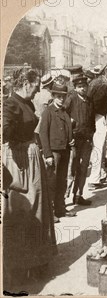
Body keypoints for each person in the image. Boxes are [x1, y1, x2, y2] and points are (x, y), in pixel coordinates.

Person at [2, 69, 57, 288]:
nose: (37, 91)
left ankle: (37, 263)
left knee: (39, 209)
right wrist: (14, 142)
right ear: (25, 83)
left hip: (32, 158)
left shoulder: (27, 103)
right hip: (20, 162)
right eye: (35, 86)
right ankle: (17, 268)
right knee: (22, 212)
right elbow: (5, 129)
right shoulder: (10, 105)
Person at [39, 81, 76, 220]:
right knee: (52, 182)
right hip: (54, 152)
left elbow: (68, 128)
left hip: (65, 150)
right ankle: (50, 212)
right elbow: (43, 133)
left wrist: (71, 139)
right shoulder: (48, 112)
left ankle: (60, 209)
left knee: (62, 180)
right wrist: (48, 154)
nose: (61, 99)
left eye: (63, 96)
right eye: (58, 96)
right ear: (53, 96)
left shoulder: (64, 111)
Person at [64, 73, 95, 205]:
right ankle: (63, 199)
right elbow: (63, 117)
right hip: (74, 140)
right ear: (75, 88)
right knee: (71, 169)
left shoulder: (89, 100)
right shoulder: (70, 99)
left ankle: (78, 195)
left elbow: (92, 120)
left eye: (84, 86)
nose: (83, 89)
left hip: (86, 139)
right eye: (80, 86)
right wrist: (68, 135)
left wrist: (92, 134)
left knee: (83, 168)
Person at [88, 64, 107, 188]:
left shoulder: (94, 82)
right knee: (98, 147)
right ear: (104, 72)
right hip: (97, 117)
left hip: (94, 116)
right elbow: (96, 104)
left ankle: (101, 174)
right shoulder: (105, 86)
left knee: (99, 147)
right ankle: (94, 179)